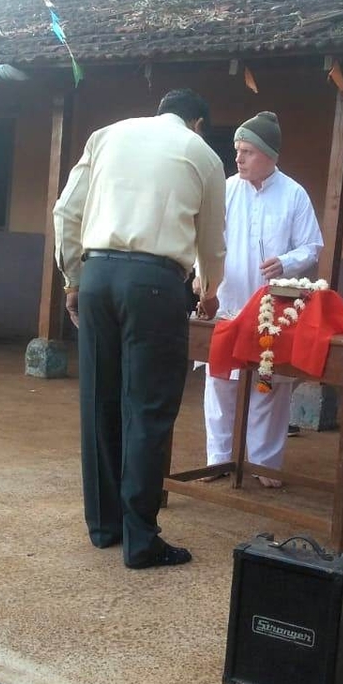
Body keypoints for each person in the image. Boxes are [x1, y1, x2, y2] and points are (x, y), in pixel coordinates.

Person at [55, 89, 226, 569]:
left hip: (98, 275)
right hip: (155, 282)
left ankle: (105, 527)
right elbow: (212, 240)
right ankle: (141, 538)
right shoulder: (203, 154)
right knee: (148, 409)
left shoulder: (106, 136)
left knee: (99, 400)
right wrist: (209, 287)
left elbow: (66, 211)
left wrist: (74, 278)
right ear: (196, 122)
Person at [201, 111, 323, 489]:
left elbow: (312, 246)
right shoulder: (227, 189)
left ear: (270, 156)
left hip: (274, 310)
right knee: (220, 381)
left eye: (248, 151)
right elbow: (204, 238)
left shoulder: (294, 194)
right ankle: (218, 459)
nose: (238, 158)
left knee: (268, 386)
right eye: (237, 150)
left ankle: (264, 465)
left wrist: (286, 261)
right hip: (229, 305)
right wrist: (202, 278)